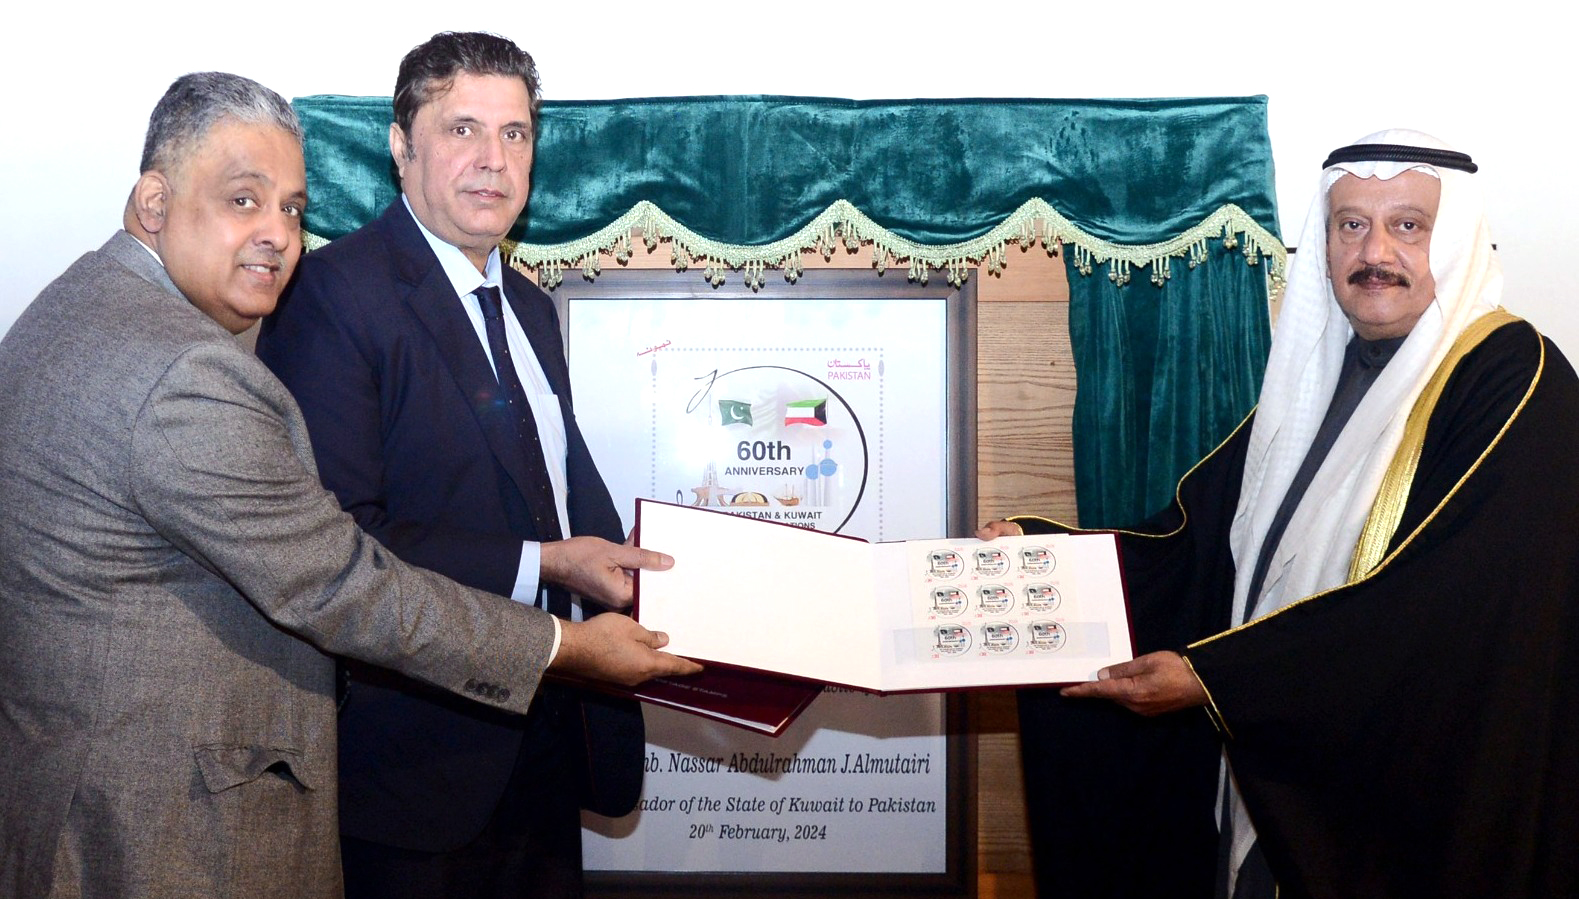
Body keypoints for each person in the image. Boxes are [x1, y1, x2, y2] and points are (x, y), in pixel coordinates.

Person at [0, 71, 699, 899]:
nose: (276, 234)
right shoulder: (190, 366)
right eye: (242, 200)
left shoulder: (77, 308)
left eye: (293, 209)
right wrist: (565, 647)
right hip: (164, 827)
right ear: (154, 202)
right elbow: (339, 580)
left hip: (111, 793)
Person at [983, 131, 1579, 899]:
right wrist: (1042, 558)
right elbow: (1193, 550)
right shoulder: (1312, 387)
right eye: (1349, 224)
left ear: (1455, 241)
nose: (1374, 252)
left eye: (1406, 225)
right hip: (1274, 783)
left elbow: (1439, 609)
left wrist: (1218, 678)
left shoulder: (1514, 379)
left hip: (1408, 818)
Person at [256, 32, 659, 899]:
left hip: (550, 739)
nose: (493, 160)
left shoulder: (531, 307)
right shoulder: (332, 294)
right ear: (401, 147)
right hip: (417, 774)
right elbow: (340, 544)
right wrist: (548, 564)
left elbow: (552, 500)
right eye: (462, 130)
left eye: (515, 134)